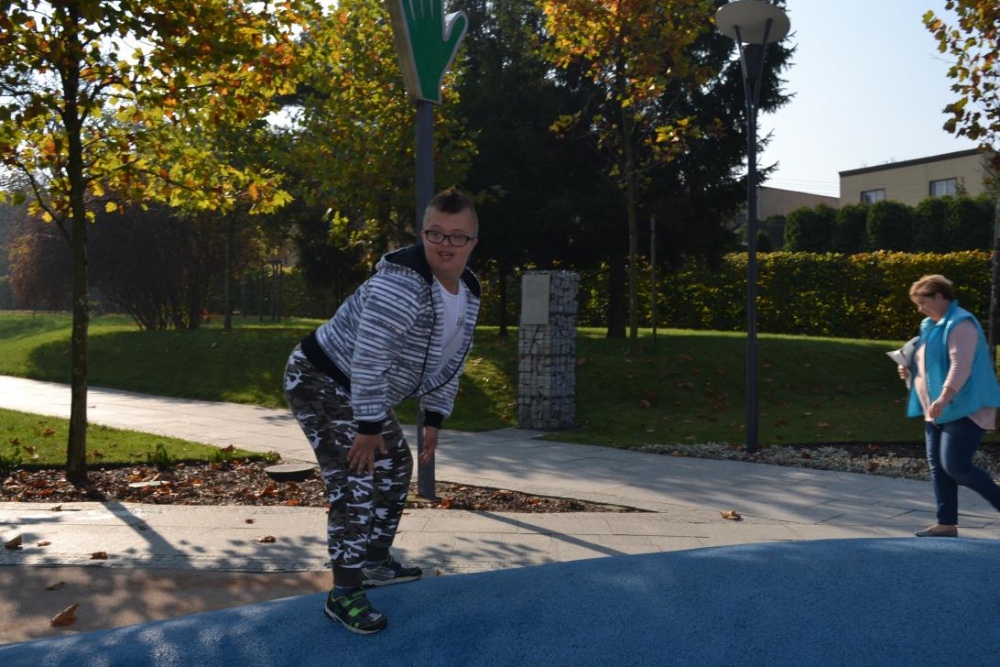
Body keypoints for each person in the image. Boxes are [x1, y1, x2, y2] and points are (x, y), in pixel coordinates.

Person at [284, 188, 481, 634]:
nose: (445, 244)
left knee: (396, 466)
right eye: (436, 233)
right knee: (357, 476)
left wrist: (434, 417)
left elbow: (452, 357)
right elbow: (370, 356)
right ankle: (344, 592)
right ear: (422, 234)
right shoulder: (400, 285)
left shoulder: (468, 290)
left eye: (457, 236)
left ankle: (374, 562)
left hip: (357, 387)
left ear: (472, 242)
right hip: (319, 378)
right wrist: (369, 426)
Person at [898, 274, 1000, 538]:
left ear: (940, 296)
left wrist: (944, 396)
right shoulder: (930, 325)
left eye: (923, 302)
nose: (920, 309)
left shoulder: (961, 323)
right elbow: (929, 360)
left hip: (965, 405)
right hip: (937, 408)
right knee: (939, 467)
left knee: (956, 466)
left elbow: (960, 364)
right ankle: (945, 524)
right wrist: (908, 367)